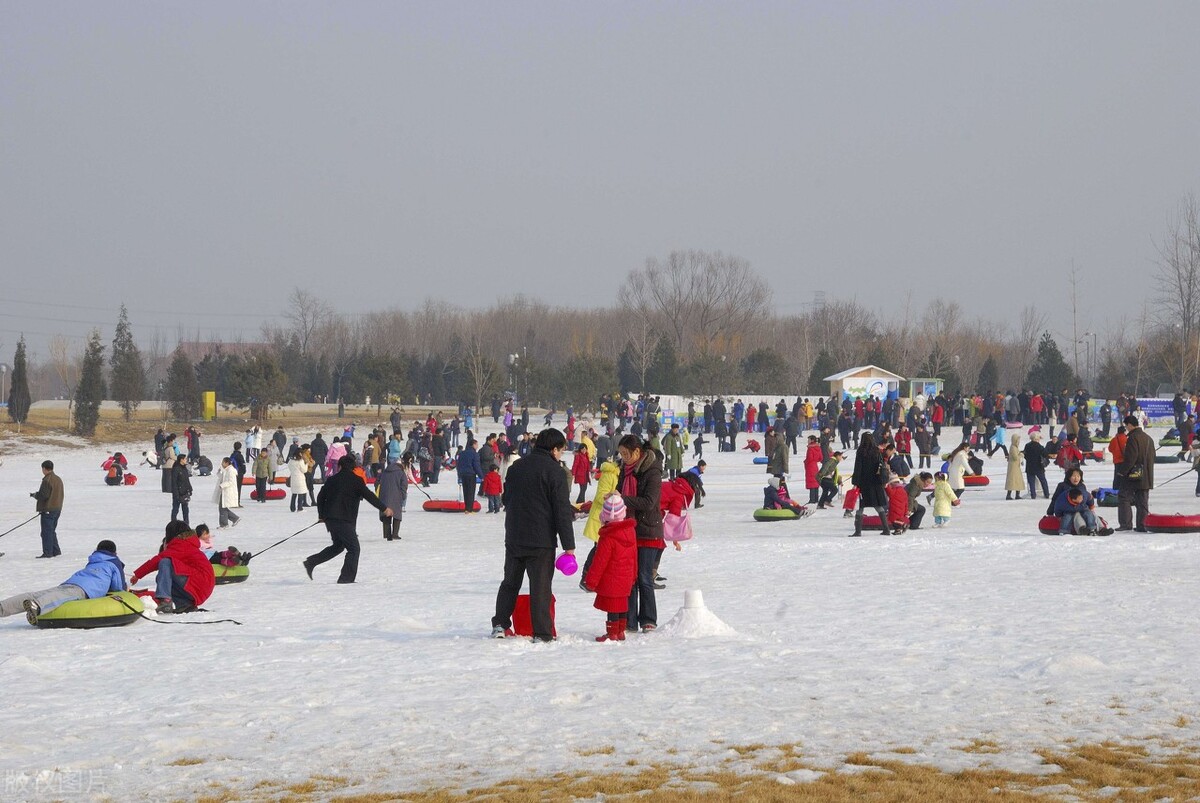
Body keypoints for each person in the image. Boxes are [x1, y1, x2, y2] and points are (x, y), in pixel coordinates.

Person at [491, 428, 576, 642]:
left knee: (510, 582)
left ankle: (500, 624)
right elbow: (561, 510)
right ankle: (542, 633)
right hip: (541, 539)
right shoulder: (554, 471)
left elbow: (506, 499)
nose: (561, 455)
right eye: (561, 451)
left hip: (515, 535)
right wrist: (569, 545)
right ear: (554, 449)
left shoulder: (517, 467)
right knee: (540, 586)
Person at [304, 455, 392, 583]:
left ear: (339, 466)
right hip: (344, 520)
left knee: (339, 546)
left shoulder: (331, 479)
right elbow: (369, 496)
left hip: (331, 519)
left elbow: (320, 497)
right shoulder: (356, 480)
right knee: (354, 549)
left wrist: (322, 515)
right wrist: (384, 509)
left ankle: (311, 562)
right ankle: (346, 579)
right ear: (354, 467)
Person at [1, 540, 126, 624]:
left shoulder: (93, 560)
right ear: (114, 552)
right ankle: (37, 606)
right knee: (60, 597)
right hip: (84, 589)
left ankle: (3, 607)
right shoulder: (114, 562)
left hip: (71, 582)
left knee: (37, 594)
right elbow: (118, 586)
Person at [581, 493, 638, 642]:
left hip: (612, 579)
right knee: (622, 605)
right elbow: (634, 557)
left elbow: (600, 562)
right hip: (626, 578)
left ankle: (612, 633)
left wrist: (591, 581)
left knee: (612, 607)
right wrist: (633, 575)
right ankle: (620, 631)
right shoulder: (630, 532)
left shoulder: (608, 536)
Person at [130, 520, 216, 614]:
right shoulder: (188, 543)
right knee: (169, 575)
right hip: (203, 585)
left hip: (199, 584)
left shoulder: (181, 545)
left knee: (165, 563)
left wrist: (137, 575)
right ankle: (184, 605)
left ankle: (165, 600)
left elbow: (157, 560)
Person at [1117, 415, 1154, 532]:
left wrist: (1122, 472)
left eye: (1126, 426)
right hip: (1147, 475)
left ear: (1129, 425)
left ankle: (1125, 524)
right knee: (1142, 501)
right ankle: (1142, 525)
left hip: (1133, 475)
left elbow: (1130, 458)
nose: (1126, 429)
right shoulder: (1148, 438)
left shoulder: (1133, 438)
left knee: (1124, 497)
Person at [850, 432, 891, 536]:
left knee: (861, 506)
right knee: (878, 505)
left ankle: (858, 531)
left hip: (864, 482)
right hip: (876, 482)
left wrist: (855, 482)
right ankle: (886, 529)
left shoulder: (861, 451)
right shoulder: (877, 451)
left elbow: (858, 468)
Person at [32, 460, 64, 558]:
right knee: (51, 530)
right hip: (57, 508)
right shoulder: (58, 479)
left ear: (44, 469)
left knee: (46, 532)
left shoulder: (47, 480)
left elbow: (44, 495)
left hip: (48, 509)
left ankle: (48, 553)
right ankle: (55, 550)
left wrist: (35, 495)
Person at [376, 457, 408, 540]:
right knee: (397, 515)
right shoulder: (401, 473)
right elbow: (404, 485)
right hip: (397, 496)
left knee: (386, 514)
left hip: (384, 495)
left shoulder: (385, 472)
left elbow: (378, 482)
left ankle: (387, 534)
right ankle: (395, 534)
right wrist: (403, 496)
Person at [213, 457, 241, 528]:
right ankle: (234, 519)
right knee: (222, 507)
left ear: (226, 463)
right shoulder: (226, 470)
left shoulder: (231, 470)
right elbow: (221, 478)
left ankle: (224, 524)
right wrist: (219, 472)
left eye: (223, 462)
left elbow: (231, 482)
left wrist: (222, 485)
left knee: (222, 507)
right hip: (224, 491)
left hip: (228, 491)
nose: (221, 463)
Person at [458, 438, 484, 513]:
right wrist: (481, 476)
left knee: (465, 491)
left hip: (463, 474)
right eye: (476, 444)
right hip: (471, 474)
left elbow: (459, 464)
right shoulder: (475, 454)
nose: (477, 446)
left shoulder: (462, 453)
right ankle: (470, 509)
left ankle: (466, 508)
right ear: (474, 445)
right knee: (471, 491)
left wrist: (459, 474)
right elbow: (476, 466)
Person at [1023, 432, 1050, 499]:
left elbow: (1025, 455)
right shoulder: (1040, 447)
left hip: (1029, 466)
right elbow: (1046, 454)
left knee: (1031, 482)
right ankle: (1046, 494)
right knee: (1043, 481)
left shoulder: (1027, 445)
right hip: (1039, 466)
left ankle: (1033, 495)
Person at [171, 456, 193, 524]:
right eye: (185, 459)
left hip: (185, 492)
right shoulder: (176, 469)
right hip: (178, 492)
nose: (186, 460)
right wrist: (176, 493)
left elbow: (187, 480)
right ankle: (173, 523)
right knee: (175, 509)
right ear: (181, 460)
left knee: (185, 509)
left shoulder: (184, 468)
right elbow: (174, 482)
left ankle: (186, 523)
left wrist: (190, 489)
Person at [1004, 433, 1026, 500]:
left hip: (1016, 466)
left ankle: (1017, 494)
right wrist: (1021, 454)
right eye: (1018, 440)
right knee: (1012, 480)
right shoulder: (1013, 448)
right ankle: (1009, 495)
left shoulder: (1015, 447)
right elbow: (1015, 457)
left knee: (1017, 480)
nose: (1019, 442)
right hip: (1013, 467)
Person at [803, 435, 823, 504]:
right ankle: (816, 498)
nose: (807, 441)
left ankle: (812, 499)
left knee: (811, 483)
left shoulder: (810, 449)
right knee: (815, 482)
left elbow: (809, 458)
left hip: (810, 466)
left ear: (811, 440)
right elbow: (821, 458)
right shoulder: (818, 447)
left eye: (808, 440)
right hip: (815, 466)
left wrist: (805, 462)